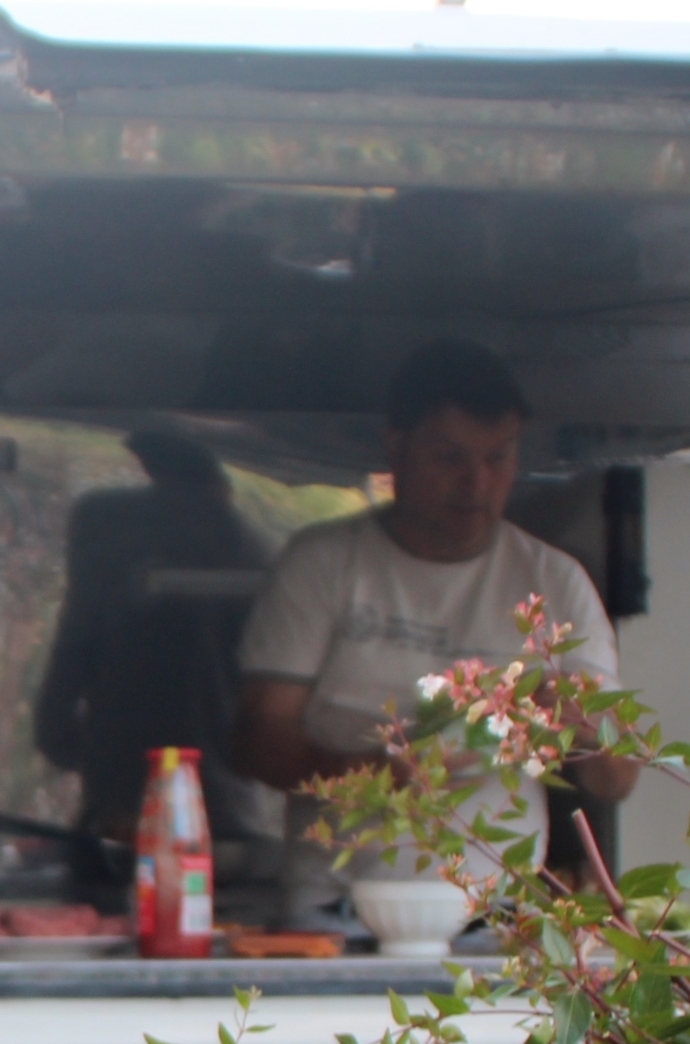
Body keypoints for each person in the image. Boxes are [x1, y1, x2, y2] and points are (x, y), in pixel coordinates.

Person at [233, 340, 636, 912]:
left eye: (498, 458)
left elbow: (618, 782)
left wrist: (583, 727)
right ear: (395, 449)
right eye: (450, 458)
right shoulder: (323, 563)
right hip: (334, 905)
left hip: (495, 915)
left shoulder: (553, 580)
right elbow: (255, 740)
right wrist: (371, 774)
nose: (477, 482)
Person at [33, 426, 272, 859]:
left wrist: (65, 732)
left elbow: (72, 658)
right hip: (139, 805)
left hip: (215, 810)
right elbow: (76, 646)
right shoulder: (121, 536)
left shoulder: (240, 555)